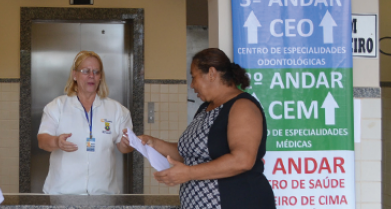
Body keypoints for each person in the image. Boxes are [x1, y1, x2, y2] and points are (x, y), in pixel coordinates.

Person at [139, 48, 276, 209]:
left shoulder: (242, 106)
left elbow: (242, 160)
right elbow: (190, 154)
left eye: (193, 77)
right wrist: (151, 143)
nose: (192, 84)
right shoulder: (205, 108)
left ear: (211, 73)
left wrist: (188, 173)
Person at [37, 50, 134, 195]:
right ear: (74, 75)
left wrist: (128, 144)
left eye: (96, 72)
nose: (91, 76)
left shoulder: (117, 110)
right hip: (63, 194)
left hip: (103, 195)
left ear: (101, 76)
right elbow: (42, 141)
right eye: (86, 71)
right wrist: (57, 142)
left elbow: (124, 147)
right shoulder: (57, 107)